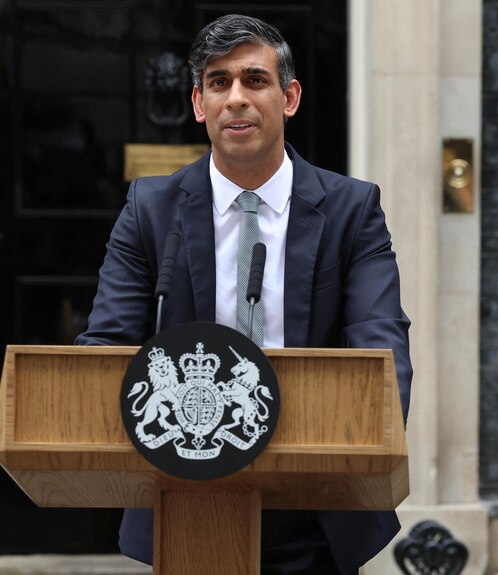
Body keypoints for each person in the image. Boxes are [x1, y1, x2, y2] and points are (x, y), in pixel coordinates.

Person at [75, 14, 412, 575]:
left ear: (290, 97)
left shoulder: (353, 210)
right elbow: (106, 345)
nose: (236, 98)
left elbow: (381, 350)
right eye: (218, 82)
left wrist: (360, 451)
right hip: (183, 493)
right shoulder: (150, 210)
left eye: (255, 80)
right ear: (198, 103)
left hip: (315, 502)